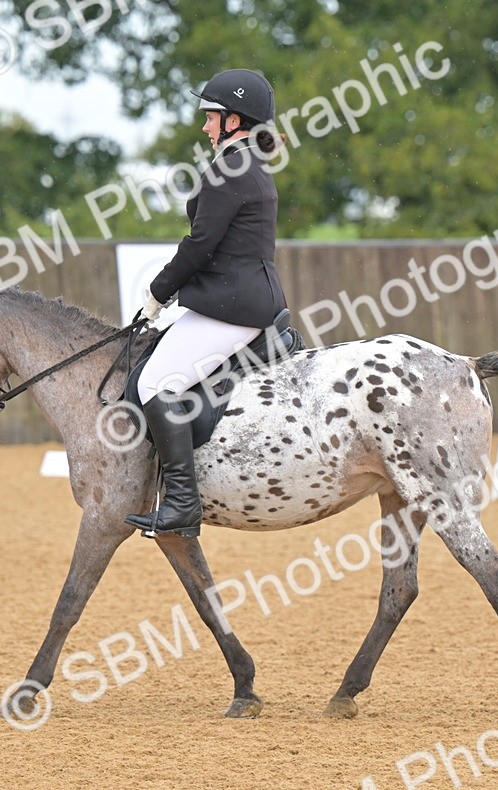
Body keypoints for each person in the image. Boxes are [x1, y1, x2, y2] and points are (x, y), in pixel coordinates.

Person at [124, 68, 289, 538]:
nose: (205, 126)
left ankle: (181, 504)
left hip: (235, 306)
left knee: (155, 383)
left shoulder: (229, 168)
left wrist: (157, 292)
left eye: (211, 117)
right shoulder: (246, 166)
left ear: (234, 121)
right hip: (234, 297)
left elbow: (199, 245)